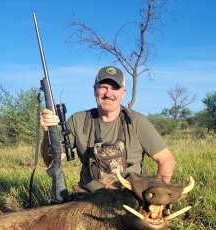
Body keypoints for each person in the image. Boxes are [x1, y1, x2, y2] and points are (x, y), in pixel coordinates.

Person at [40, 66, 175, 192]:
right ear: (95, 90)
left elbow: (166, 160)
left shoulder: (137, 121)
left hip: (129, 199)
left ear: (123, 93)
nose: (108, 93)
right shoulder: (78, 120)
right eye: (103, 87)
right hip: (88, 200)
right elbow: (51, 163)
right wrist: (47, 133)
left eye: (115, 88)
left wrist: (159, 195)